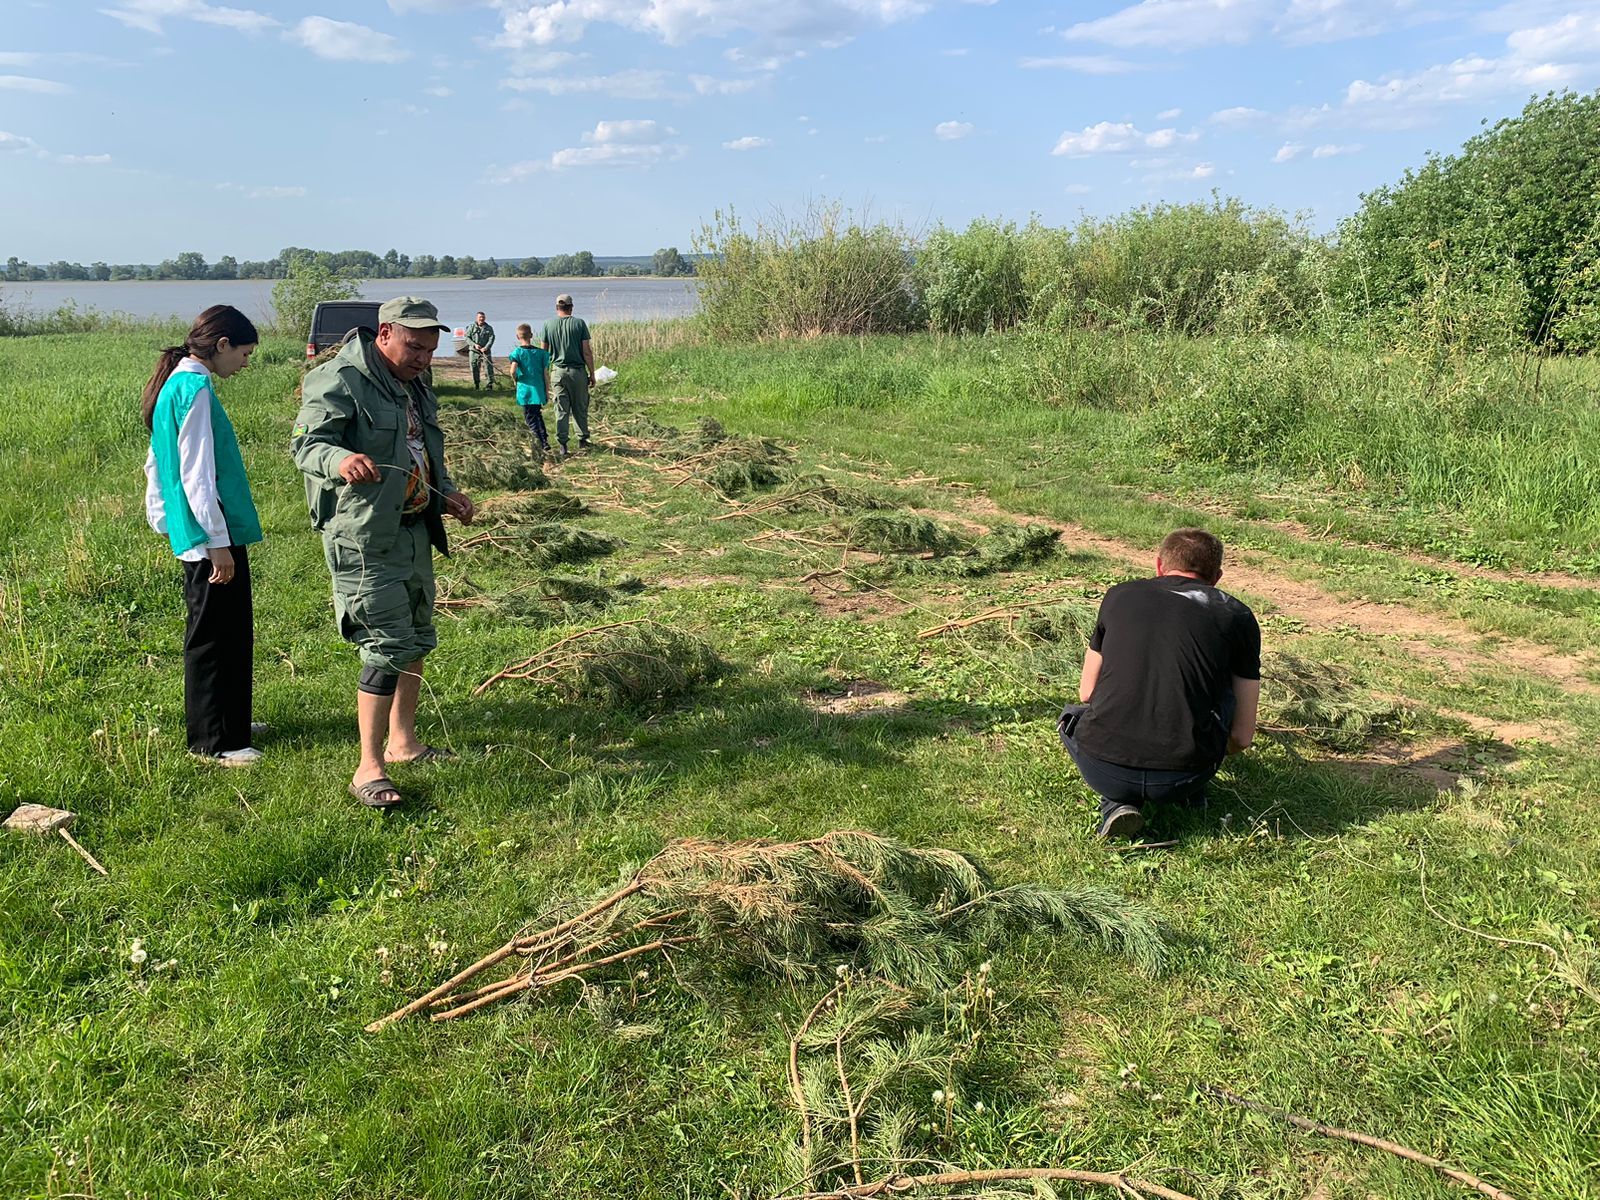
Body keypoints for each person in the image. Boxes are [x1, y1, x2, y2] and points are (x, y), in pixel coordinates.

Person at [291, 297, 476, 809]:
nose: (423, 358)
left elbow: (421, 448)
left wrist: (449, 493)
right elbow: (306, 446)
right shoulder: (339, 378)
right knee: (384, 641)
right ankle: (367, 767)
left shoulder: (415, 381)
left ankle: (403, 743)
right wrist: (341, 457)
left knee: (416, 635)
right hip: (367, 537)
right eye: (415, 347)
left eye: (430, 349)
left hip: (415, 527)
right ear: (385, 333)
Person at [1057, 528, 1261, 840]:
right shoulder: (1236, 615)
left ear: (1158, 566)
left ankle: (1115, 803)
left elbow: (1087, 691)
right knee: (1223, 691)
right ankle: (1189, 792)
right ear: (1217, 577)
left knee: (1070, 718)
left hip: (1103, 769)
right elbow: (1242, 737)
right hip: (1188, 773)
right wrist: (1207, 756)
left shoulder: (1118, 596)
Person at [142, 304, 266, 765]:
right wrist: (215, 543)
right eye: (245, 353)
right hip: (211, 532)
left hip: (202, 528)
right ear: (222, 345)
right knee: (214, 635)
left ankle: (231, 719)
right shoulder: (192, 387)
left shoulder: (178, 381)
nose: (246, 363)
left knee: (231, 629)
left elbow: (156, 463)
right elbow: (195, 473)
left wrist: (163, 516)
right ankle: (214, 742)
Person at [541, 293, 595, 457]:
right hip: (577, 372)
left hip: (558, 371)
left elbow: (543, 352)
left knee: (561, 409)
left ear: (557, 307)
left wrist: (544, 375)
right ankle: (582, 440)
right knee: (580, 407)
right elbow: (586, 351)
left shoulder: (548, 325)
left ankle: (563, 444)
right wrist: (592, 373)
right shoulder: (579, 324)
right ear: (571, 307)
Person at [506, 322, 551, 455]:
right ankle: (545, 441)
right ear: (531, 335)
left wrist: (515, 379)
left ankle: (538, 443)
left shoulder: (517, 353)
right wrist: (547, 390)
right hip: (538, 390)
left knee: (530, 417)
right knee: (538, 415)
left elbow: (512, 370)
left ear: (517, 337)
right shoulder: (540, 353)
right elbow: (545, 374)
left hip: (525, 391)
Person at [466, 310, 496, 391]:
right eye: (480, 317)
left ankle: (489, 386)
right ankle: (476, 385)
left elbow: (491, 338)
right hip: (474, 351)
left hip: (485, 351)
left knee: (488, 368)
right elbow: (467, 338)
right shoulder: (471, 327)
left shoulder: (489, 328)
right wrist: (474, 345)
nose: (481, 319)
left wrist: (486, 347)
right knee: (474, 368)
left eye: (483, 317)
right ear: (477, 318)